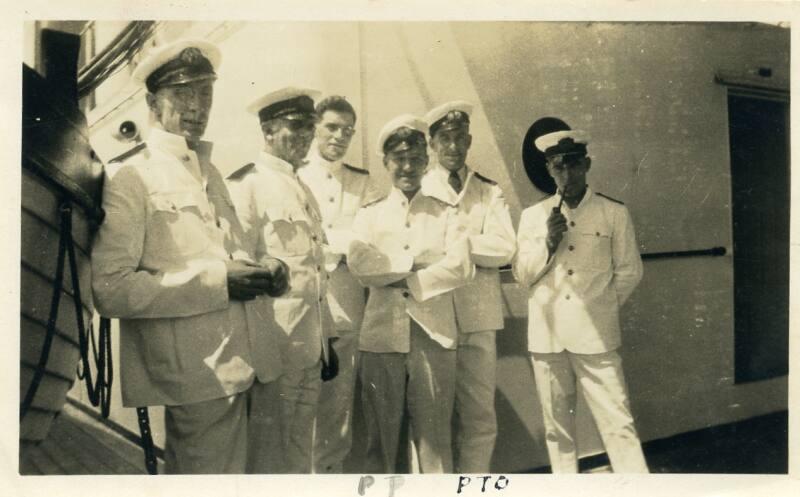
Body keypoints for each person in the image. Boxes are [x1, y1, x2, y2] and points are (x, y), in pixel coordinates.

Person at [91, 39, 289, 474]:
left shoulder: (210, 170)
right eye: (182, 94)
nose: (196, 106)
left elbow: (234, 251)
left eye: (205, 94)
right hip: (199, 379)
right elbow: (111, 289)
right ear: (152, 103)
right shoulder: (130, 176)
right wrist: (221, 282)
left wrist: (270, 268)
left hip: (258, 364)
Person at [513, 129, 648, 473]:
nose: (567, 175)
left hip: (596, 336)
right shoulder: (533, 216)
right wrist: (548, 241)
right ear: (549, 170)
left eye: (573, 165)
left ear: (586, 165)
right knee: (558, 432)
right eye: (558, 167)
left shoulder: (613, 212)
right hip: (548, 338)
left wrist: (599, 308)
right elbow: (522, 275)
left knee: (618, 423)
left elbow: (630, 271)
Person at [347, 114, 475, 473]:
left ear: (426, 161)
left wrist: (405, 279)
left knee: (435, 442)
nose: (407, 167)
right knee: (380, 445)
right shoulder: (369, 215)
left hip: (433, 339)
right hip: (381, 338)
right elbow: (360, 264)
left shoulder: (446, 211)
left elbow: (461, 266)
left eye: (416, 159)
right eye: (399, 159)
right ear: (386, 163)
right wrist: (415, 262)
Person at [226, 87, 333, 473]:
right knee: (269, 458)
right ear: (268, 131)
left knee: (300, 453)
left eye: (309, 127)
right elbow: (237, 257)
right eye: (295, 126)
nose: (305, 135)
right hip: (273, 346)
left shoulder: (303, 188)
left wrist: (326, 341)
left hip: (309, 347)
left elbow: (316, 272)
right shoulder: (247, 184)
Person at [421, 101, 516, 472]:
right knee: (433, 420)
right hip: (435, 316)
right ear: (432, 144)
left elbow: (505, 246)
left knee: (480, 417)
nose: (453, 146)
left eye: (460, 137)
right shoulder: (420, 189)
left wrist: (458, 249)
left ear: (469, 140)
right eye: (444, 138)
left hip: (479, 317)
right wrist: (475, 246)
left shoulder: (488, 191)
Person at [297, 95, 375, 473]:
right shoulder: (295, 176)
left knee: (337, 416)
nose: (340, 136)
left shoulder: (362, 183)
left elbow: (370, 239)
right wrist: (341, 243)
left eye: (348, 130)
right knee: (298, 413)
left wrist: (331, 241)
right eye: (332, 127)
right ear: (314, 127)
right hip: (302, 314)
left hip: (345, 311)